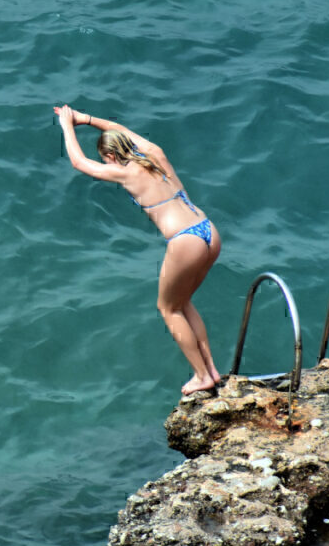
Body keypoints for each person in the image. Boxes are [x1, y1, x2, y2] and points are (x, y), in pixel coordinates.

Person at [55, 105, 222, 395]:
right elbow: (120, 129)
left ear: (110, 156)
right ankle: (211, 371)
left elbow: (79, 163)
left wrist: (67, 125)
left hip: (185, 240)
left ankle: (201, 375)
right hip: (208, 230)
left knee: (168, 309)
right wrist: (86, 119)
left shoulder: (127, 174)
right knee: (183, 302)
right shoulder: (154, 154)